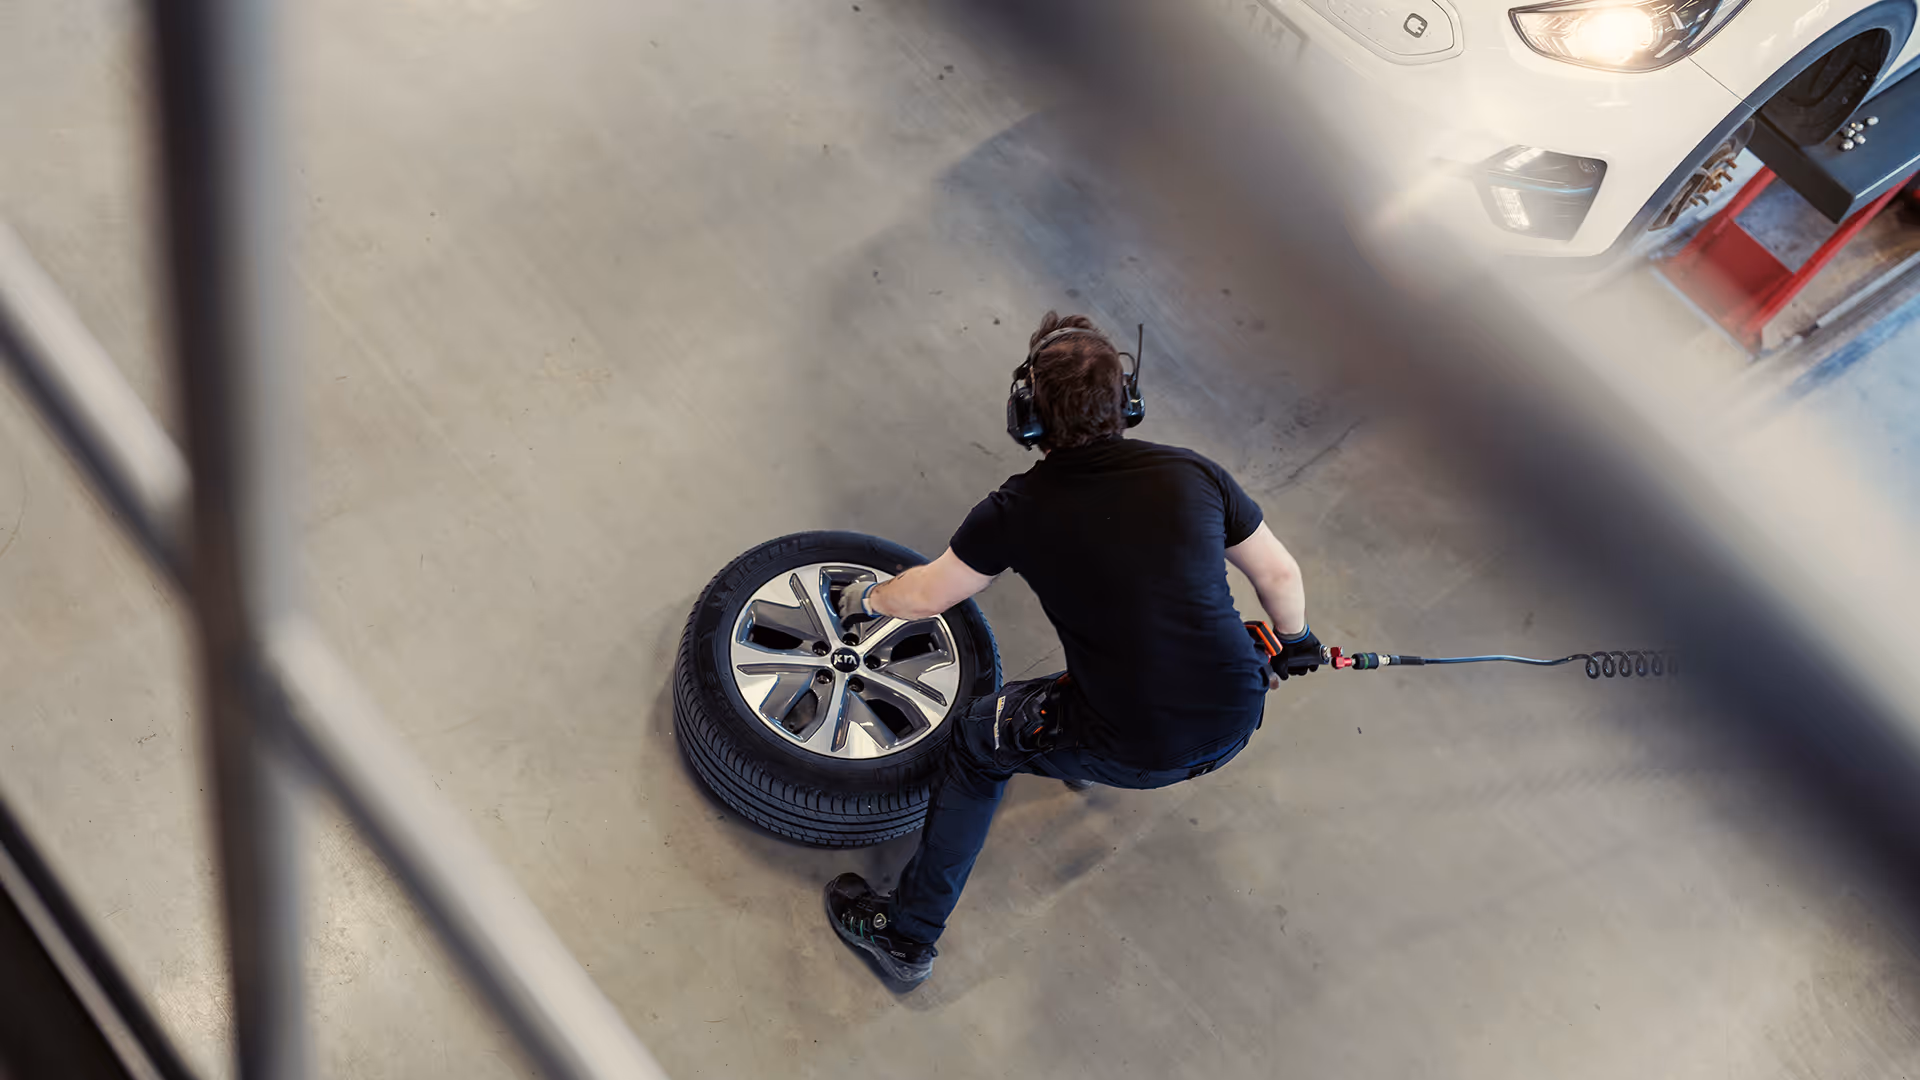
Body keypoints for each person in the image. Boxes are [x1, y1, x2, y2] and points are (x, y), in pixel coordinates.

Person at [822, 311, 1320, 986]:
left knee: (978, 741)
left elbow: (926, 597)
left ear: (1026, 414)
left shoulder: (1016, 510)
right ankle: (1077, 751)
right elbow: (1280, 577)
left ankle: (906, 937)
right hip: (1237, 713)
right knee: (1145, 640)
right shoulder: (1193, 475)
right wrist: (1294, 643)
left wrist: (862, 604)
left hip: (1138, 743)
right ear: (1129, 403)